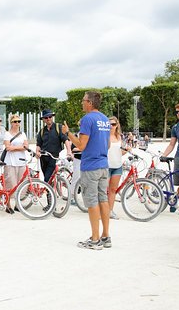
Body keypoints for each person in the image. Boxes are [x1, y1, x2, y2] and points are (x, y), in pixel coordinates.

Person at [67, 91, 111, 250]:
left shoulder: (87, 119)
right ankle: (106, 236)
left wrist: (68, 133)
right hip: (103, 165)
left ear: (90, 102)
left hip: (91, 166)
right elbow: (109, 145)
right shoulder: (105, 119)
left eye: (83, 100)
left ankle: (95, 239)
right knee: (103, 200)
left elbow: (81, 145)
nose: (81, 102)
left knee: (92, 202)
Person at [2, 114, 29, 214]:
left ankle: (18, 205)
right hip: (10, 162)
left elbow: (26, 146)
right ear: (11, 123)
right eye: (15, 121)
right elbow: (8, 147)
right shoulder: (7, 134)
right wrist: (20, 147)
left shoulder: (23, 134)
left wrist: (15, 148)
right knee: (10, 184)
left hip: (21, 161)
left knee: (21, 184)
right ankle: (8, 205)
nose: (17, 123)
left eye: (18, 121)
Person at [35, 109, 68, 183]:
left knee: (47, 179)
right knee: (47, 177)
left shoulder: (58, 127)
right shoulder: (42, 131)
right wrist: (37, 151)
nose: (48, 119)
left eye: (50, 117)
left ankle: (49, 192)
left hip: (54, 157)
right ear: (43, 119)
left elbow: (65, 139)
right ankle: (50, 192)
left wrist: (69, 151)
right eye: (46, 118)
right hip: (43, 158)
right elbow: (39, 144)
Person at [107, 117, 129, 220]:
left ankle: (110, 211)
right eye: (109, 124)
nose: (111, 126)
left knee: (113, 190)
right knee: (103, 190)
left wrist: (127, 150)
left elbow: (121, 152)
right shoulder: (104, 136)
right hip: (106, 166)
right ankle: (102, 211)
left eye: (113, 124)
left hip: (117, 166)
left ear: (117, 125)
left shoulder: (120, 137)